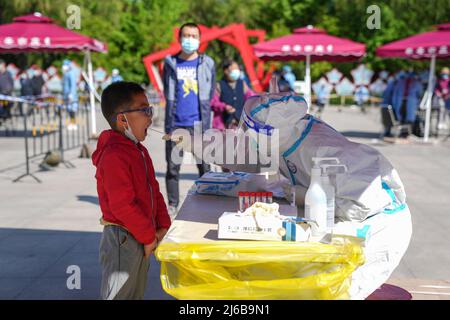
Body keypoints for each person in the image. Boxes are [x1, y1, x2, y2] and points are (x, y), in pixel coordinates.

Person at [176, 84, 412, 300]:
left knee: (334, 292)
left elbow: (359, 205)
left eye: (251, 133)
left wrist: (297, 193)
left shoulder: (323, 149)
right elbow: (241, 151)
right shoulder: (283, 137)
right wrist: (193, 142)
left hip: (378, 229)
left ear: (266, 134)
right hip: (342, 220)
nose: (248, 138)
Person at [92, 81, 171, 300]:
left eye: (150, 109)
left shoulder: (139, 150)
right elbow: (122, 205)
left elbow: (153, 190)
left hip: (140, 234)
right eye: (144, 110)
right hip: (123, 239)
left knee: (135, 294)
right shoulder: (114, 155)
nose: (150, 116)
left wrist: (163, 225)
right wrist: (148, 237)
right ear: (122, 119)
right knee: (119, 295)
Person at [163, 22, 215, 217]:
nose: (190, 40)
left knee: (205, 166)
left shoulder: (207, 63)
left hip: (199, 124)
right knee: (173, 167)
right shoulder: (170, 63)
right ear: (179, 38)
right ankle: (173, 205)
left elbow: (209, 93)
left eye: (194, 36)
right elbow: (167, 92)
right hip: (175, 123)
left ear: (200, 40)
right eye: (186, 35)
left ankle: (208, 200)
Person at [210, 59, 254, 130]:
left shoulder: (242, 84)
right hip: (223, 126)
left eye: (237, 68)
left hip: (240, 125)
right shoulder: (219, 85)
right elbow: (213, 102)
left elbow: (251, 97)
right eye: (234, 69)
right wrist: (224, 107)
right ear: (226, 71)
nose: (237, 71)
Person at [391, 69, 423, 137]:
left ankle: (407, 133)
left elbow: (419, 94)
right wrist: (394, 103)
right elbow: (395, 93)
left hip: (411, 102)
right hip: (401, 101)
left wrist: (418, 104)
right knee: (401, 117)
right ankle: (402, 132)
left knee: (410, 119)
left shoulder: (417, 83)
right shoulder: (400, 82)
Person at [62, 59, 79, 130]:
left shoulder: (71, 73)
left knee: (72, 110)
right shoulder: (66, 73)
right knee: (69, 110)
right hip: (67, 95)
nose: (64, 66)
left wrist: (71, 94)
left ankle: (73, 123)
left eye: (65, 65)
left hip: (71, 96)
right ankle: (71, 123)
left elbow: (73, 85)